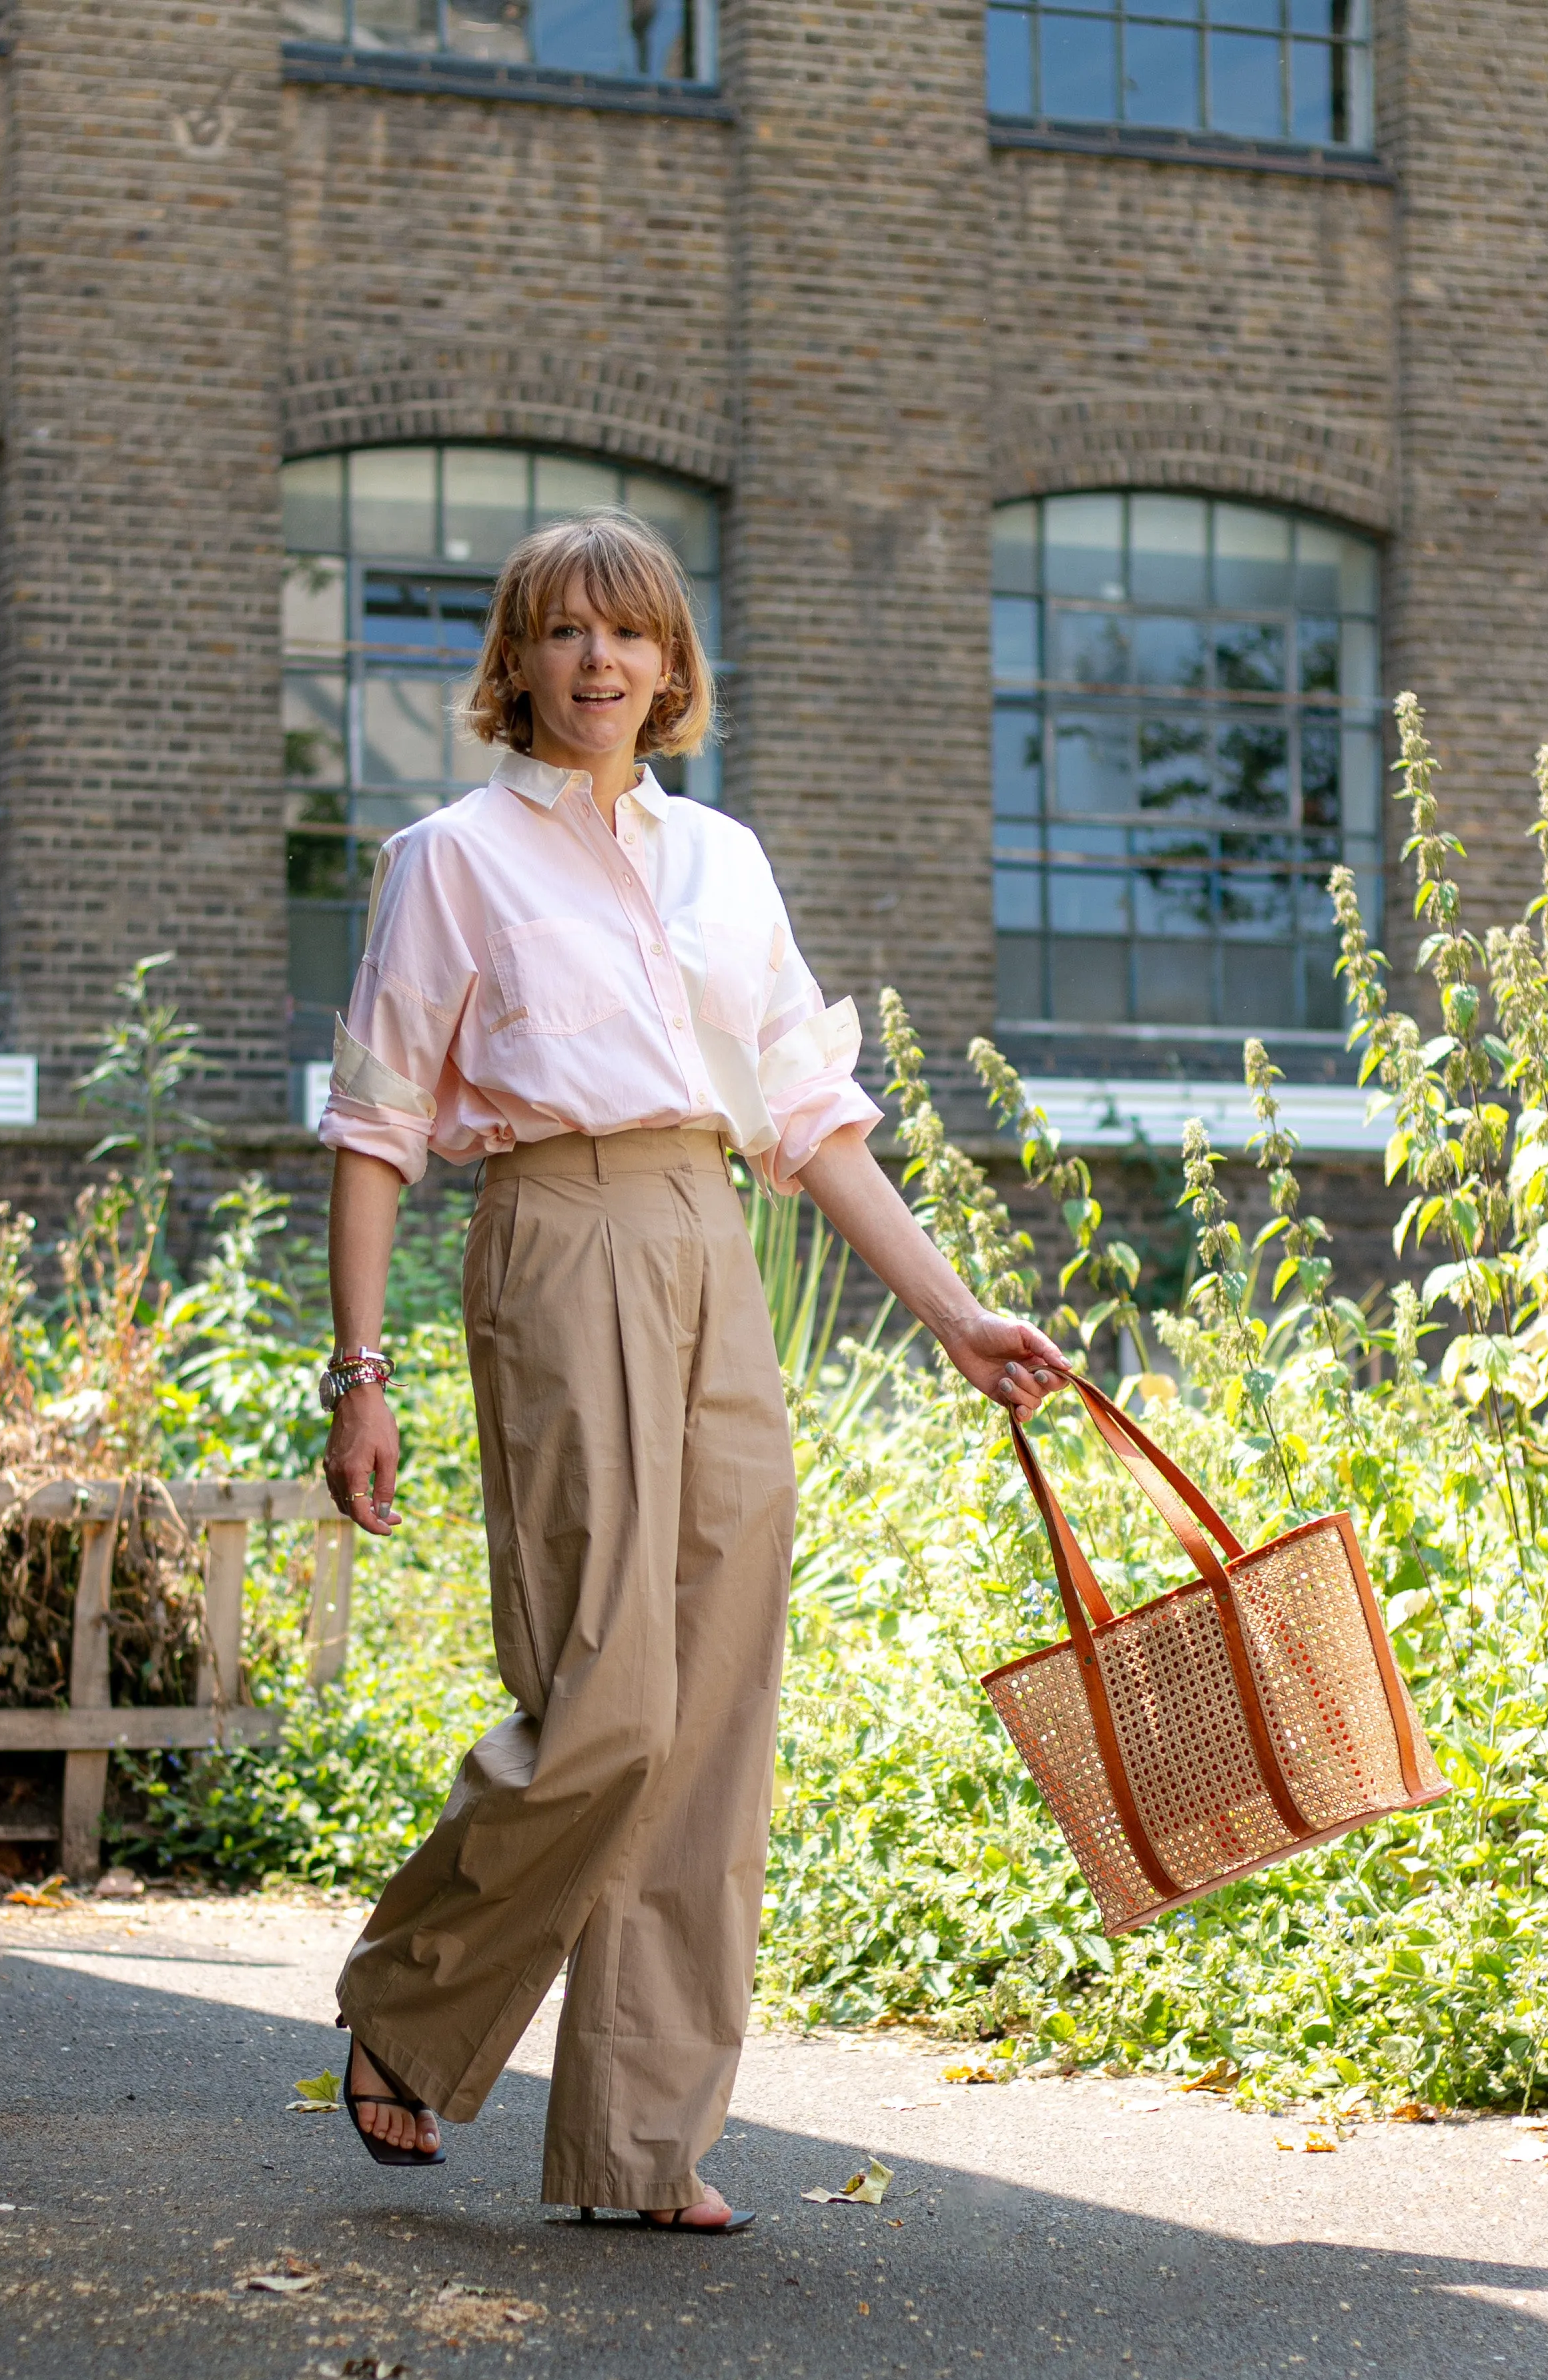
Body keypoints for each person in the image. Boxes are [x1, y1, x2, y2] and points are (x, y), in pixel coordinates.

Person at [318, 511, 1068, 2231]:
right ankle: (412, 2001)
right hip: (558, 1233)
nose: (601, 664)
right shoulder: (451, 858)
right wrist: (358, 1373)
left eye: (632, 636)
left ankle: (645, 2146)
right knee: (612, 1697)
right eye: (567, 635)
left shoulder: (721, 859)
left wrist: (955, 1316)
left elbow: (808, 1119)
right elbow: (375, 1127)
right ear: (517, 665)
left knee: (715, 1711)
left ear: (671, 667)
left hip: (711, 1237)